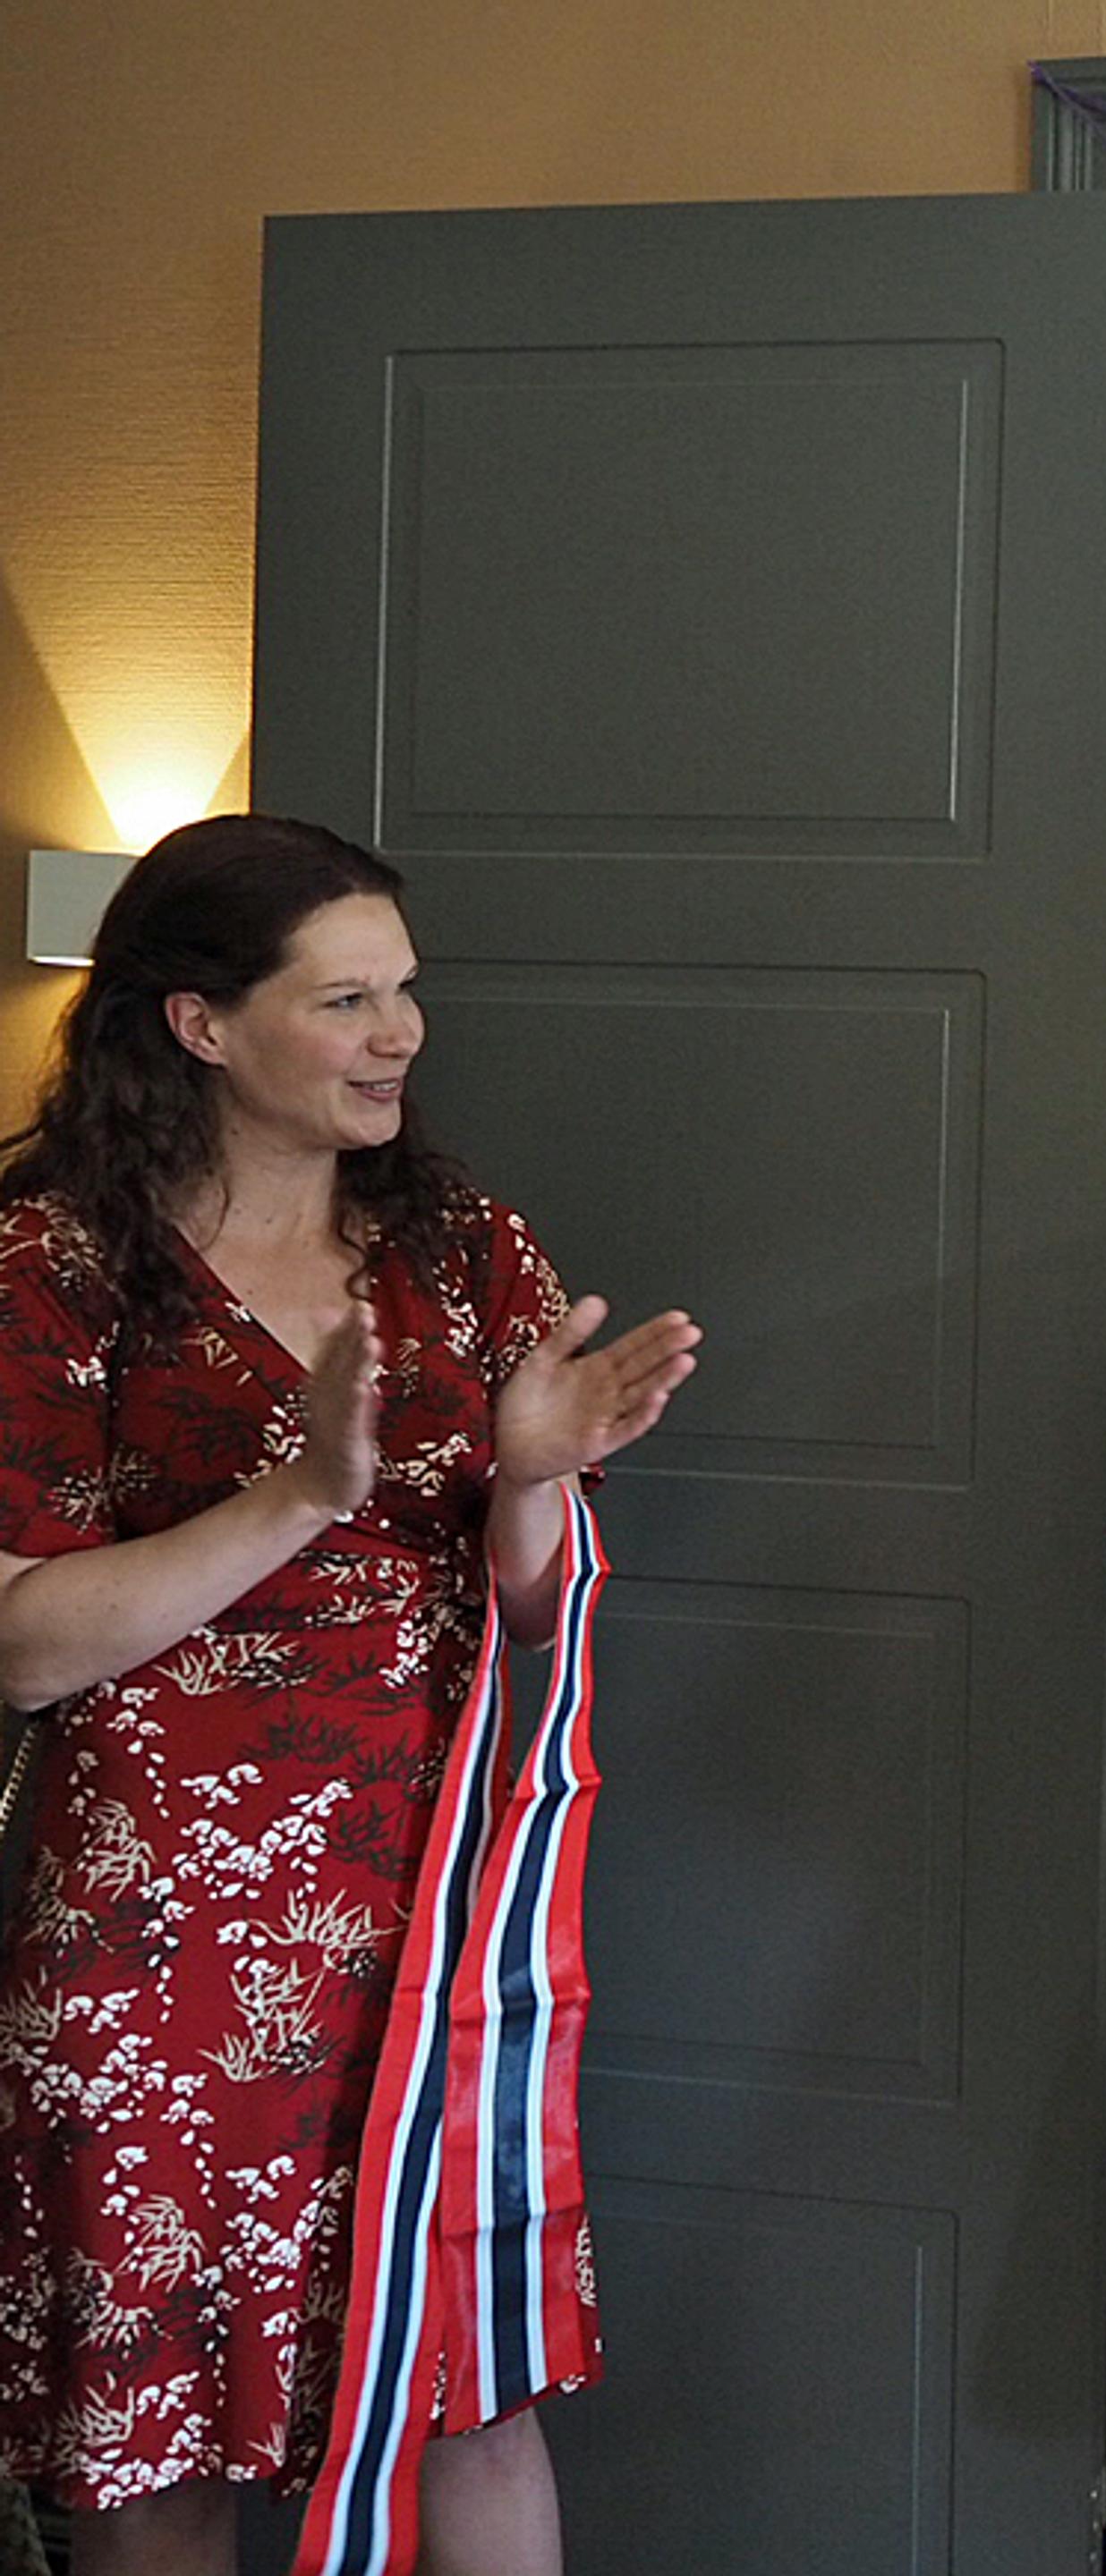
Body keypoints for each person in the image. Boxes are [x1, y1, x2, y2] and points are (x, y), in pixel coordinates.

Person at [0, 816, 701, 2573]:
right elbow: (26, 1645)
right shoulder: (50, 1265)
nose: (401, 1033)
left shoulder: (459, 1246)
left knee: (468, 2391)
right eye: (346, 999)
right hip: (156, 1951)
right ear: (200, 1023)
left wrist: (530, 1475)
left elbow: (531, 1609)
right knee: (154, 2436)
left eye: (406, 992)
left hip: (429, 1919)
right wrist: (297, 1497)